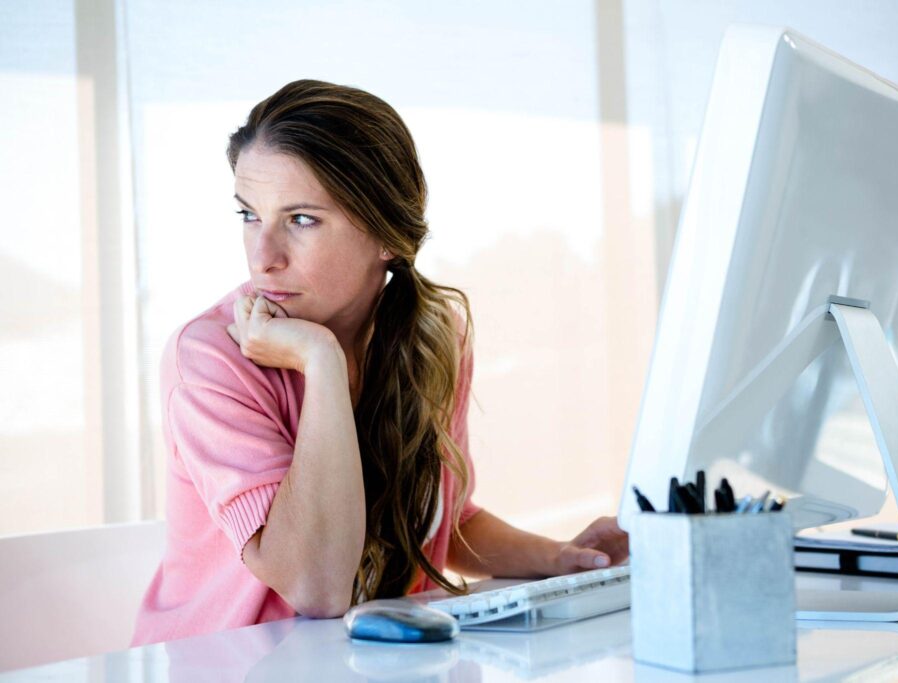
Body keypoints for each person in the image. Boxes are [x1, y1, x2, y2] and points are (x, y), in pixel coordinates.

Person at [131, 79, 628, 645]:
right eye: (249, 214)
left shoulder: (431, 337)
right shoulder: (213, 359)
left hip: (370, 660)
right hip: (226, 666)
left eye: (300, 219)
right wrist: (319, 361)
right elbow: (316, 586)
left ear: (385, 234)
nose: (262, 258)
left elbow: (441, 523)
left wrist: (564, 560)